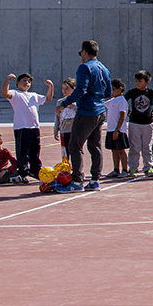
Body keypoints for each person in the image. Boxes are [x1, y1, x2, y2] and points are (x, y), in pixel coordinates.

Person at [57, 40, 114, 192]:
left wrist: (64, 103)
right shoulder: (104, 68)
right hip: (100, 111)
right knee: (95, 146)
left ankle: (76, 182)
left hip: (87, 111)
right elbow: (108, 92)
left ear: (84, 52)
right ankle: (95, 180)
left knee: (74, 146)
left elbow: (79, 90)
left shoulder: (85, 67)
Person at [2, 72, 49, 178]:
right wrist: (8, 80)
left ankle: (35, 170)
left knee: (35, 150)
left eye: (28, 82)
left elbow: (48, 99)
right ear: (18, 83)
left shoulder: (34, 95)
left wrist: (51, 87)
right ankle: (23, 172)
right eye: (24, 81)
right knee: (23, 151)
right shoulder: (15, 94)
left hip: (34, 127)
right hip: (22, 127)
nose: (26, 83)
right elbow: (5, 93)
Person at [125, 71, 153, 176]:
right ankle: (132, 167)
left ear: (147, 82)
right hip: (134, 123)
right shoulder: (132, 92)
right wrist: (128, 111)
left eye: (140, 81)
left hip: (147, 123)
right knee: (134, 146)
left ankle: (148, 167)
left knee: (147, 147)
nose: (137, 83)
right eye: (136, 81)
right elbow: (123, 100)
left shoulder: (150, 92)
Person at [105, 72, 130, 178]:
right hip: (110, 129)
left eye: (113, 89)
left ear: (120, 89)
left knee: (121, 150)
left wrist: (117, 130)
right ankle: (116, 169)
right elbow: (100, 104)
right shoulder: (111, 101)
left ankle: (125, 170)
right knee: (114, 150)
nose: (111, 91)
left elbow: (122, 116)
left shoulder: (121, 100)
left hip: (118, 130)